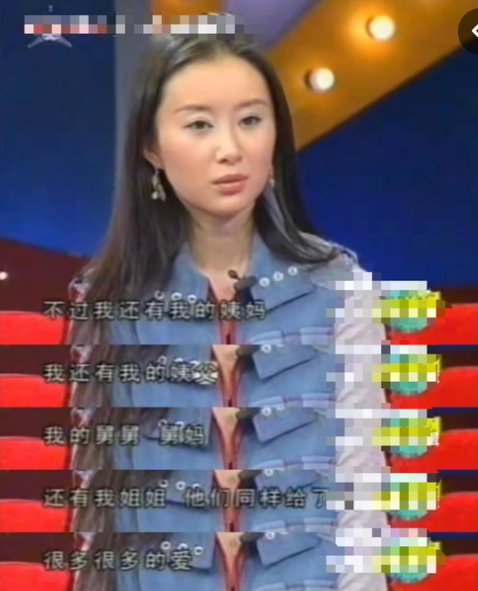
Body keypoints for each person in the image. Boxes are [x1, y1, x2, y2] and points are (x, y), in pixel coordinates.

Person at [69, 13, 388, 591]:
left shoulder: (340, 285)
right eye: (199, 124)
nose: (230, 149)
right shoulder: (109, 300)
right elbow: (105, 514)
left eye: (250, 120)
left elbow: (361, 496)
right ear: (152, 148)